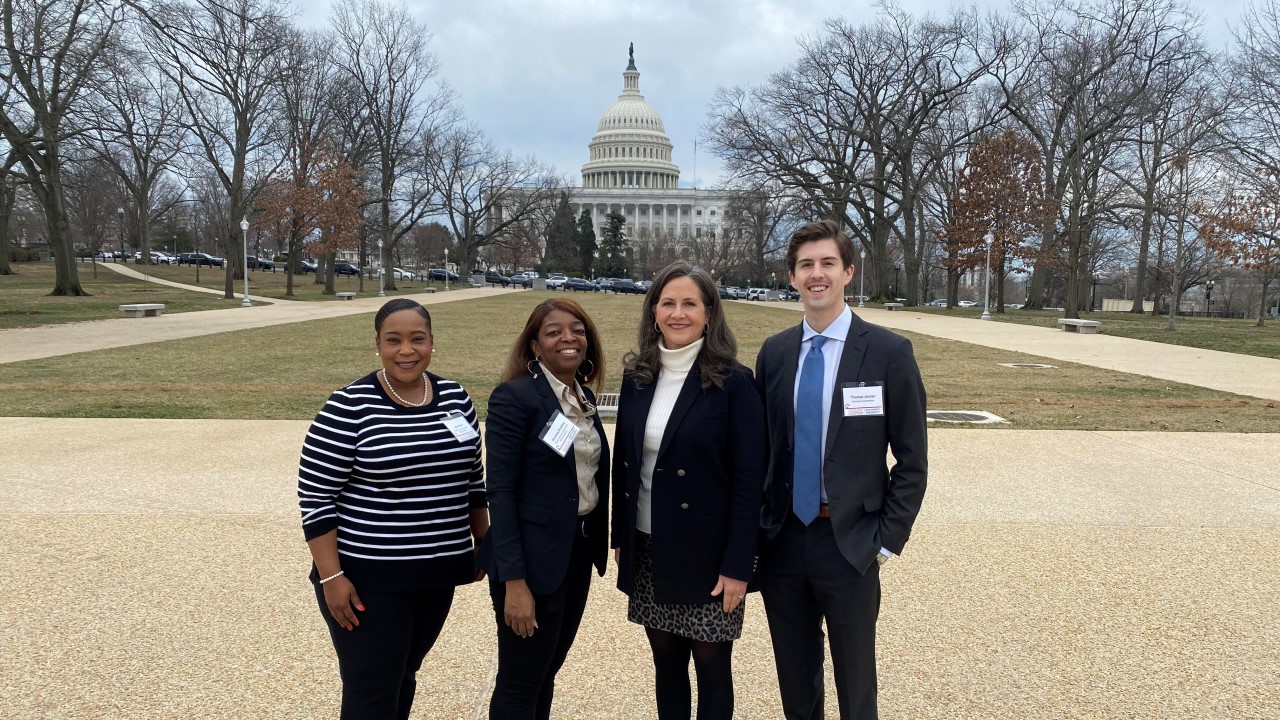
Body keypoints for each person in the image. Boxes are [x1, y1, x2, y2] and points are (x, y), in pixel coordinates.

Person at [754, 220, 928, 720]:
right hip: (785, 539)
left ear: (848, 272)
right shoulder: (777, 353)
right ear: (791, 277)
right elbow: (764, 451)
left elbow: (912, 461)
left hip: (850, 542)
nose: (817, 274)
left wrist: (886, 537)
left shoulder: (889, 353)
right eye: (806, 265)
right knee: (795, 679)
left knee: (856, 684)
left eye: (828, 263)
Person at [298, 298, 489, 720]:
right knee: (371, 691)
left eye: (417, 339)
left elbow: (474, 482)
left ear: (432, 343)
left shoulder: (456, 397)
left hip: (437, 574)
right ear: (378, 345)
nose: (407, 350)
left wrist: (482, 543)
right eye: (394, 340)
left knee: (403, 674)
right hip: (368, 580)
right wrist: (332, 576)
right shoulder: (348, 406)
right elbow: (315, 497)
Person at [612, 261, 765, 720]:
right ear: (653, 310)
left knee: (713, 666)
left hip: (709, 555)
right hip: (649, 545)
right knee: (666, 664)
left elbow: (748, 481)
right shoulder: (638, 376)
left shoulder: (734, 382)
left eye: (690, 304)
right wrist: (621, 538)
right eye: (668, 303)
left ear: (710, 312)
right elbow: (628, 461)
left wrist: (739, 565)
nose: (678, 313)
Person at [478, 298, 610, 720]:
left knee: (546, 671)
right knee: (520, 682)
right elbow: (499, 491)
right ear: (535, 346)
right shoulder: (514, 398)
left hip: (574, 556)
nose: (568, 338)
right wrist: (515, 583)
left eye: (578, 329)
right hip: (530, 565)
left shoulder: (583, 398)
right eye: (553, 331)